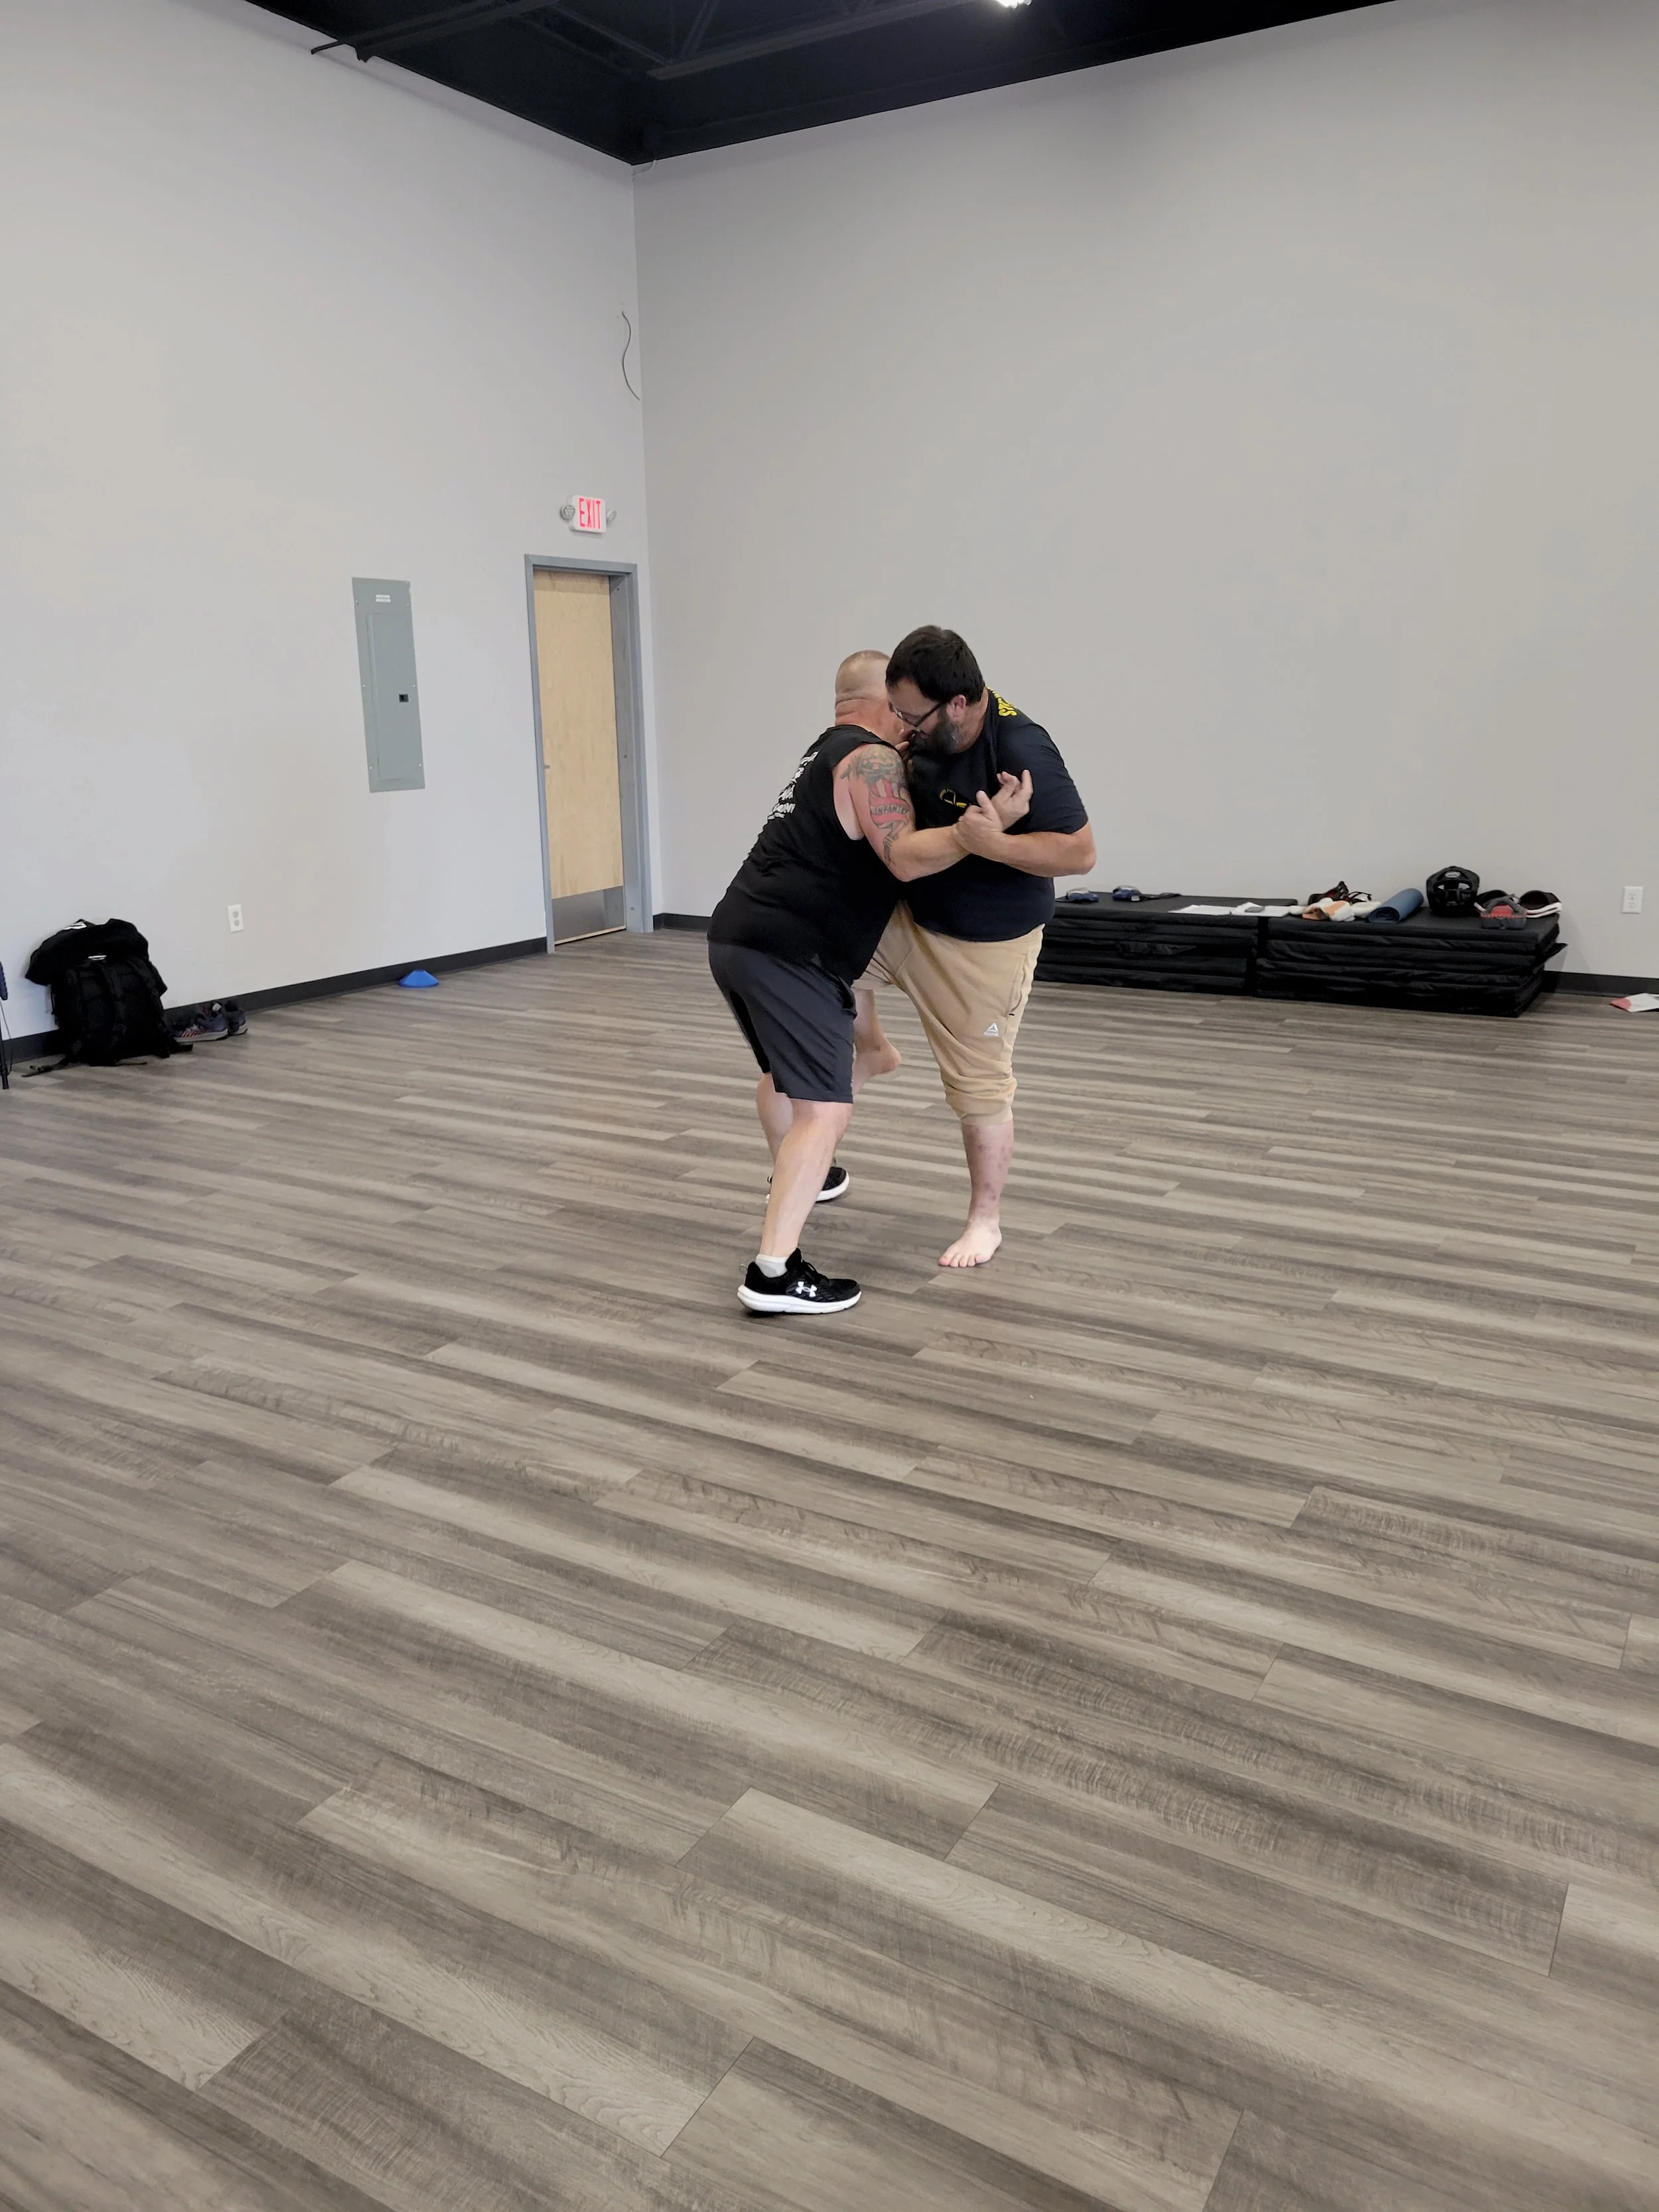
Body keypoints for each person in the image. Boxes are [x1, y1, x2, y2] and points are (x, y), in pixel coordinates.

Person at [708, 649, 1027, 1315]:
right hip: (793, 952)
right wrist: (977, 834)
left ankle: (811, 1173)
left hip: (737, 937)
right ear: (885, 702)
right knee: (823, 1111)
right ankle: (774, 1272)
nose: (913, 725)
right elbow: (905, 859)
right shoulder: (872, 759)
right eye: (906, 711)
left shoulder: (823, 750)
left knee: (793, 1080)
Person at [854, 626, 1096, 1268]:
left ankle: (985, 1221)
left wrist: (995, 845)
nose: (904, 726)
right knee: (827, 961)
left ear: (957, 703)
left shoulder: (1020, 746)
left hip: (985, 944)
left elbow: (1080, 852)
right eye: (897, 712)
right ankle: (872, 1050)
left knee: (979, 1090)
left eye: (913, 715)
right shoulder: (926, 731)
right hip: (910, 917)